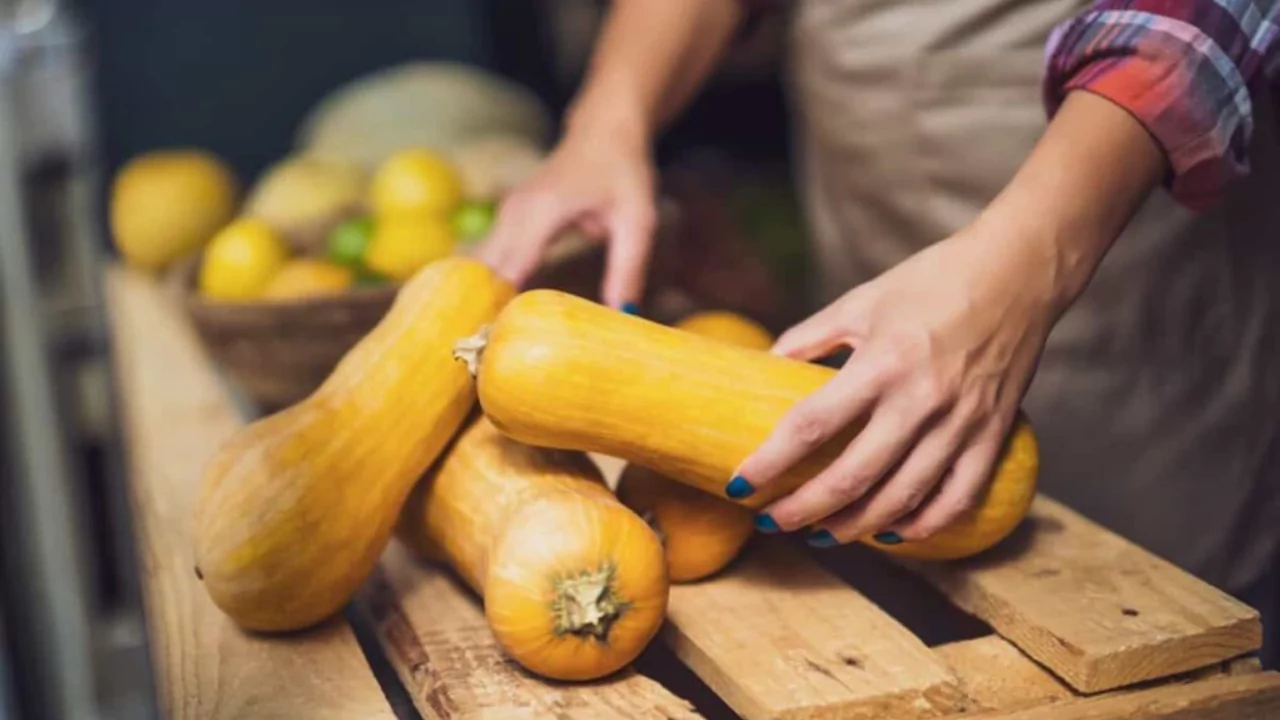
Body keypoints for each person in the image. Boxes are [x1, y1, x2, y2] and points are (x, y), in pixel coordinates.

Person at [479, 0, 1280, 665]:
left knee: (1148, 629)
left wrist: (1033, 264)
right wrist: (606, 121)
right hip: (871, 185)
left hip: (1106, 205)